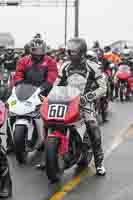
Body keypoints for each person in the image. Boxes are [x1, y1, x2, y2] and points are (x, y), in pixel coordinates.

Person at [55, 37, 106, 176]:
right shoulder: (65, 66)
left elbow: (103, 87)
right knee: (50, 121)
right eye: (68, 51)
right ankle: (48, 159)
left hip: (85, 103)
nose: (69, 54)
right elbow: (56, 84)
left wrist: (87, 98)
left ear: (81, 52)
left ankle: (99, 163)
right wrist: (50, 97)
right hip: (67, 102)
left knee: (93, 127)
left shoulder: (93, 67)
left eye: (72, 52)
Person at [7, 39, 58, 156]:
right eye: (35, 50)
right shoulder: (23, 60)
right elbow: (18, 73)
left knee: (48, 116)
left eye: (40, 50)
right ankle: (10, 143)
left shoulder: (50, 61)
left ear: (44, 50)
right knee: (12, 112)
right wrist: (19, 84)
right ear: (31, 50)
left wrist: (44, 87)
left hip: (43, 91)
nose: (38, 53)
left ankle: (48, 142)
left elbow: (52, 76)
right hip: (25, 90)